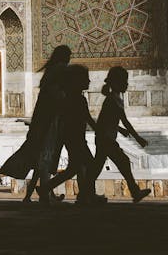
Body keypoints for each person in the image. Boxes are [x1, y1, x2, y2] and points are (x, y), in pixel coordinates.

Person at [0, 45, 71, 202]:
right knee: (43, 160)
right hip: (48, 124)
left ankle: (37, 195)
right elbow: (56, 98)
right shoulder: (59, 71)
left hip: (42, 123)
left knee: (38, 162)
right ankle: (45, 194)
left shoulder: (50, 73)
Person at [40, 64, 105, 205]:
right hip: (75, 139)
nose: (89, 82)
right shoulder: (76, 100)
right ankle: (87, 195)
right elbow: (85, 118)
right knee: (89, 165)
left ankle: (48, 188)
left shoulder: (72, 99)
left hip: (74, 139)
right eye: (86, 79)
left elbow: (85, 118)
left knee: (75, 168)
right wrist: (98, 130)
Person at [88, 66, 151, 203]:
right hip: (106, 139)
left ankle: (86, 193)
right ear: (116, 83)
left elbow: (109, 120)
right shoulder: (113, 100)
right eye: (124, 81)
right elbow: (125, 121)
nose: (126, 84)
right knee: (122, 161)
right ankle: (134, 191)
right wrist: (138, 138)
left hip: (104, 138)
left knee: (98, 166)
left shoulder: (113, 98)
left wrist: (119, 129)